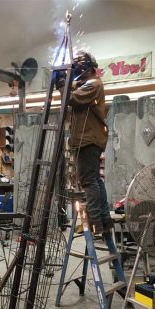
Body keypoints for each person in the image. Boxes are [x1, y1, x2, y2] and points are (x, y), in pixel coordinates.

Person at [57, 50, 113, 234]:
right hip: (88, 139)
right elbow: (75, 87)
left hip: (88, 140)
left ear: (84, 69)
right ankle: (104, 219)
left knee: (89, 181)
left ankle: (95, 222)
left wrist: (60, 84)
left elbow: (71, 98)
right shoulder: (89, 83)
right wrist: (67, 82)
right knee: (95, 179)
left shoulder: (93, 85)